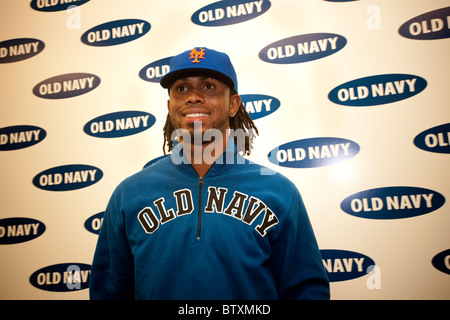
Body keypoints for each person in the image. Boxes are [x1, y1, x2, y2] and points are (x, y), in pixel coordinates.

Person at [89, 47, 330, 300]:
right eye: (182, 88)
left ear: (234, 104)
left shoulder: (278, 191)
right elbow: (109, 291)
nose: (193, 97)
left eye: (208, 87)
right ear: (171, 106)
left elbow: (306, 291)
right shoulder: (129, 194)